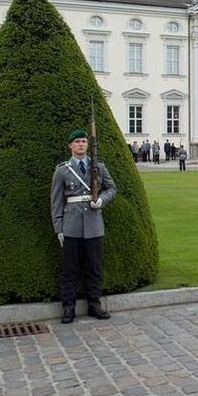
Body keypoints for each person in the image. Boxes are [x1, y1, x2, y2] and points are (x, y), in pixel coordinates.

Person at [51, 129, 117, 324]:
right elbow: (56, 202)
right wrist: (59, 228)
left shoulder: (99, 167)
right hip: (71, 225)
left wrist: (102, 201)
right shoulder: (62, 170)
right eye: (77, 142)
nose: (81, 144)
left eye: (83, 141)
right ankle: (68, 308)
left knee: (94, 267)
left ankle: (94, 305)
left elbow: (112, 188)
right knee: (69, 269)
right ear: (70, 146)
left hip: (94, 224)